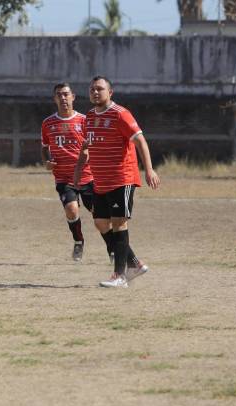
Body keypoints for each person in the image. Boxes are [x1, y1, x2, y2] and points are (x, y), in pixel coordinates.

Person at [74, 76, 161, 288]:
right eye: (92, 89)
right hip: (100, 180)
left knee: (119, 222)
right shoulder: (89, 118)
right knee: (101, 223)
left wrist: (149, 169)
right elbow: (87, 147)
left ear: (110, 92)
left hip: (122, 178)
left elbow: (140, 140)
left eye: (100, 89)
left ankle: (120, 276)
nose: (96, 92)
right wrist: (78, 172)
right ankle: (134, 263)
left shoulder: (120, 114)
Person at [40, 82, 99, 262]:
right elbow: (44, 147)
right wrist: (46, 162)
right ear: (54, 98)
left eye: (66, 94)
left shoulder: (84, 120)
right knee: (72, 210)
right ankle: (78, 241)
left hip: (87, 176)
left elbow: (93, 146)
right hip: (64, 177)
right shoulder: (48, 123)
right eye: (59, 94)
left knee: (100, 216)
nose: (63, 98)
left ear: (73, 96)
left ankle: (113, 248)